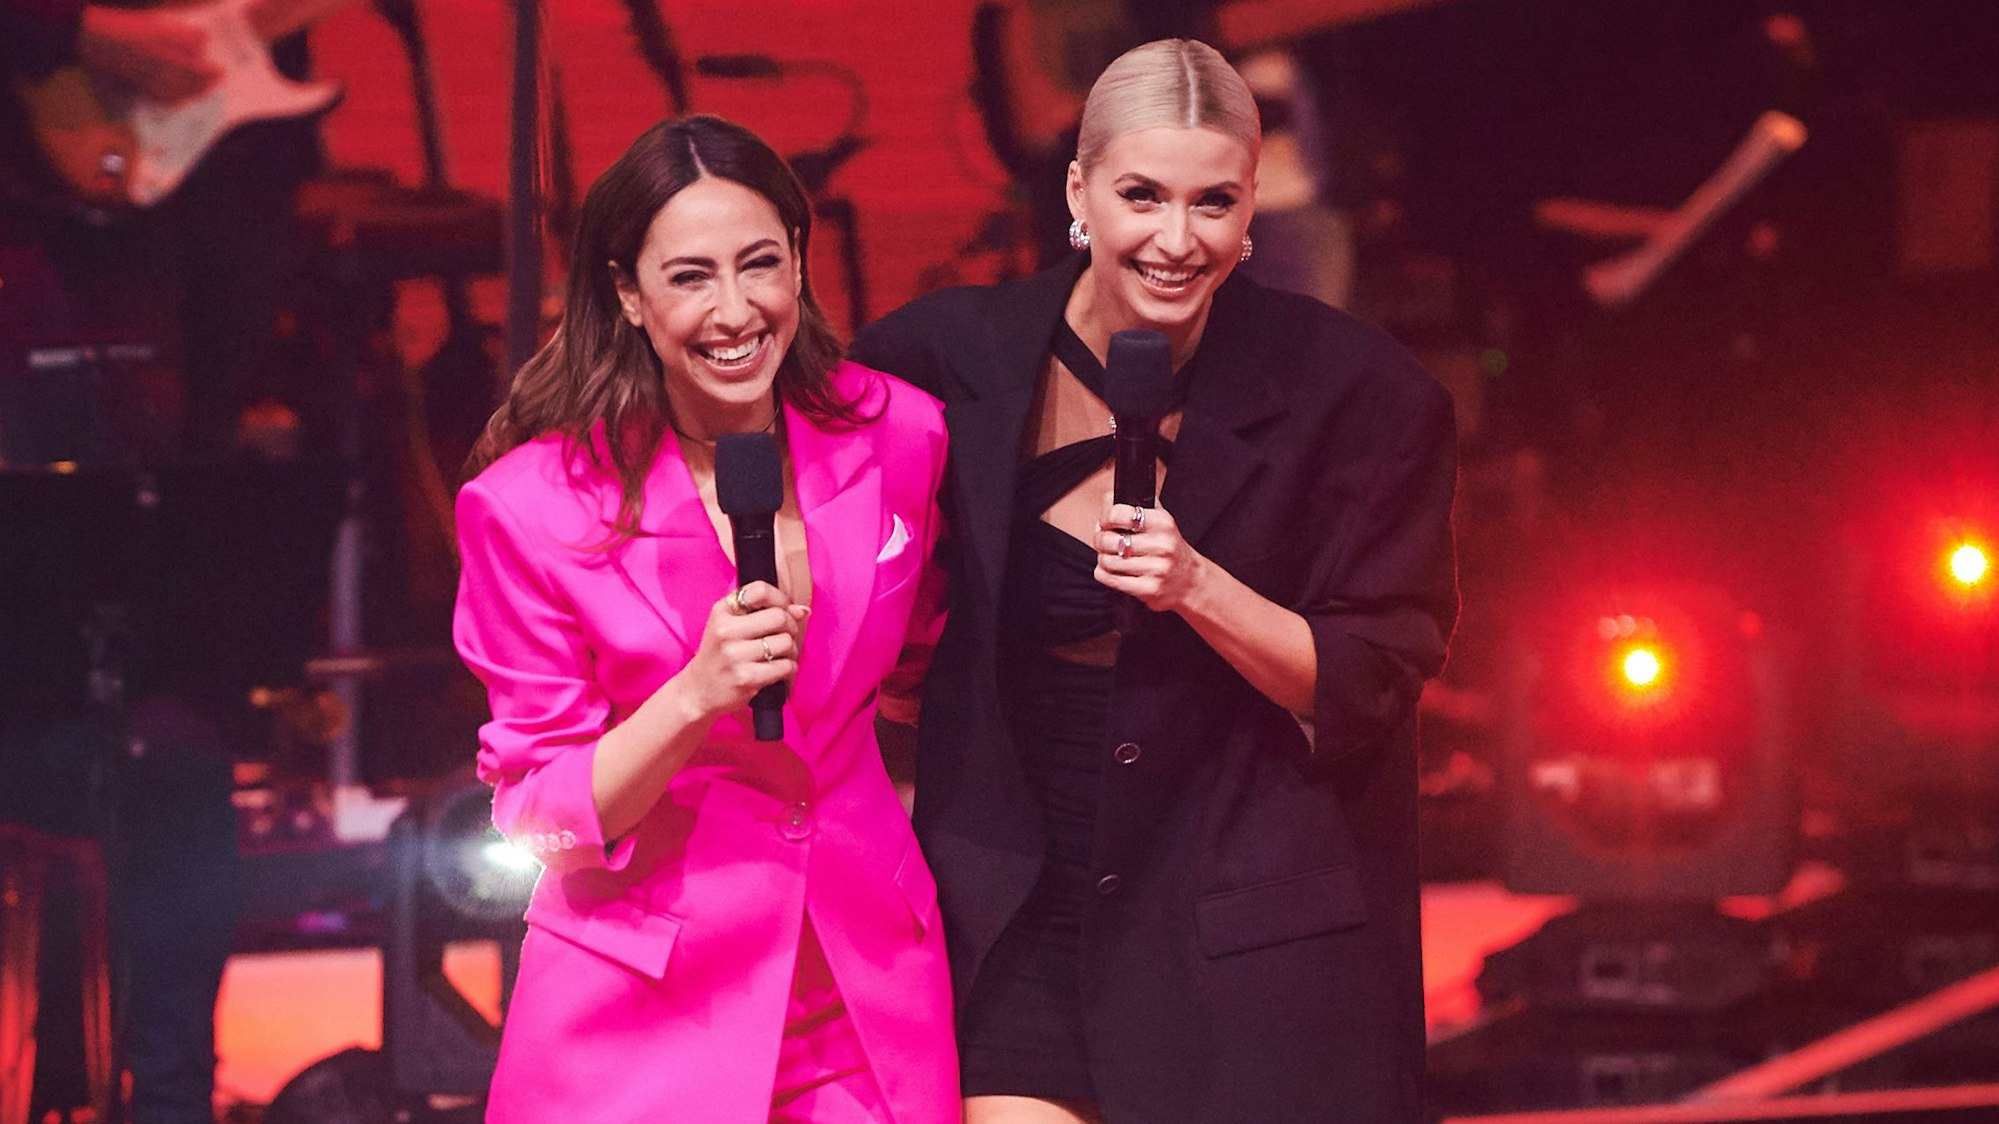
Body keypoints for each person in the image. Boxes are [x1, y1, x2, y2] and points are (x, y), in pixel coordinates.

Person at [850, 38, 1458, 1124]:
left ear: (1250, 207)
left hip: (1240, 925)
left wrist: (1198, 587)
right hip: (1017, 908)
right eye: (1142, 195)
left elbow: (1371, 680)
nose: (1176, 241)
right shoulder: (941, 363)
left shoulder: (1358, 395)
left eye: (1210, 202)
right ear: (1078, 190)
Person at [453, 115, 957, 1123]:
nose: (735, 310)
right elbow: (537, 814)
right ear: (628, 294)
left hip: (862, 982)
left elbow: (925, 670)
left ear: (801, 264)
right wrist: (693, 695)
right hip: (643, 1000)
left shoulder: (900, 432)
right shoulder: (530, 507)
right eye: (689, 276)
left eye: (760, 264)